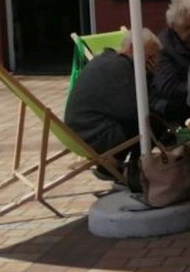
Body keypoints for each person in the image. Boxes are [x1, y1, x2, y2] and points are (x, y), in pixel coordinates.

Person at [64, 28, 161, 170]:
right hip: (93, 137)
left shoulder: (105, 58)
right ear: (133, 48)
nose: (153, 62)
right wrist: (152, 77)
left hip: (76, 133)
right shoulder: (121, 68)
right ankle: (131, 169)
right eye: (150, 57)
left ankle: (118, 165)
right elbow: (136, 111)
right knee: (153, 122)